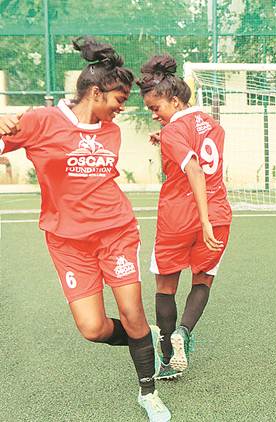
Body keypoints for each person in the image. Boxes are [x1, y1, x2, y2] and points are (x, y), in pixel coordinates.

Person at [0, 37, 170, 421]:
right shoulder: (40, 121)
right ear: (96, 92)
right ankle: (144, 342)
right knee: (92, 328)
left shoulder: (110, 130)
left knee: (131, 310)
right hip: (67, 242)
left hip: (116, 233)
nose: (121, 108)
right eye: (118, 100)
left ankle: (148, 390)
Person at [137, 54, 232, 381]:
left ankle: (166, 358)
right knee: (203, 279)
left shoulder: (174, 130)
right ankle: (184, 332)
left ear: (175, 100)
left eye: (156, 108)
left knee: (165, 286)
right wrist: (164, 136)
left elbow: (192, 167)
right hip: (219, 213)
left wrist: (201, 218)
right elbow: (197, 147)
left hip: (180, 217)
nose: (154, 114)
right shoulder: (212, 123)